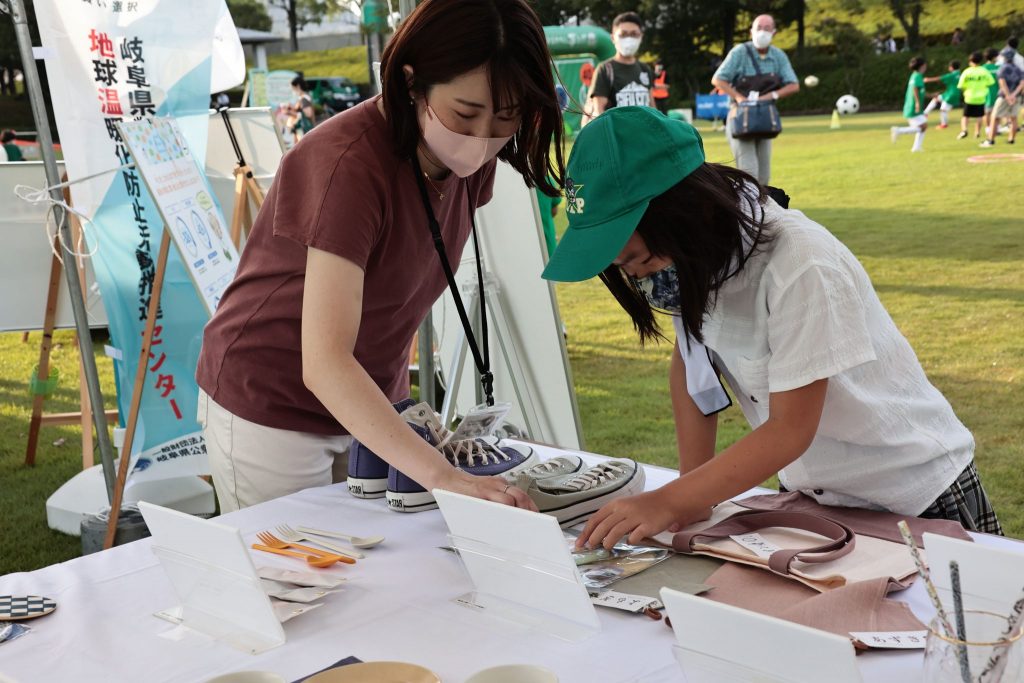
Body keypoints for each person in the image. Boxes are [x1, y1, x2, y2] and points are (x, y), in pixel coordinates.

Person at [538, 106, 1002, 550]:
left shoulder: (800, 263)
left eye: (638, 260)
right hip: (817, 495)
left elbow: (789, 428)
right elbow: (693, 365)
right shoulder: (698, 260)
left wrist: (671, 500)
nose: (638, 277)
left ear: (686, 214)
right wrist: (692, 492)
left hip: (912, 494)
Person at [195, 0, 564, 513]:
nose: (482, 139)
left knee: (388, 554)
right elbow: (325, 362)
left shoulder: (466, 158)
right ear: (412, 82)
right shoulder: (345, 164)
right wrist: (443, 477)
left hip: (371, 403)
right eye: (465, 114)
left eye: (506, 117)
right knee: (297, 560)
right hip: (272, 403)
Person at [711, 14, 799, 185]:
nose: (762, 32)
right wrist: (739, 97)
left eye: (767, 28)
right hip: (740, 117)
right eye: (759, 27)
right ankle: (748, 202)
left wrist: (771, 96)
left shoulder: (778, 56)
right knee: (749, 173)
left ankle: (763, 202)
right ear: (751, 31)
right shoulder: (739, 52)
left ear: (774, 33)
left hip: (764, 118)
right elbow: (718, 79)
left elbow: (793, 85)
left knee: (764, 176)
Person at [583, 11, 654, 126]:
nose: (629, 39)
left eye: (634, 34)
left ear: (641, 36)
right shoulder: (605, 69)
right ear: (613, 38)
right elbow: (598, 111)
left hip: (643, 133)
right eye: (623, 34)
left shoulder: (645, 69)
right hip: (617, 134)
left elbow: (652, 108)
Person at [981, 47, 1023, 147]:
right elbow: (1022, 83)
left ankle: (990, 140)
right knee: (1013, 118)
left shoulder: (1002, 68)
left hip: (1004, 97)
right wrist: (1014, 94)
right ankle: (1011, 139)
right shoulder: (1018, 69)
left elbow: (1002, 83)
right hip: (1017, 97)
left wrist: (1008, 96)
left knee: (995, 117)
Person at [891, 56, 928, 152]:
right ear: (922, 66)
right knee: (921, 127)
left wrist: (932, 95)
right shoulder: (917, 76)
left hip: (911, 105)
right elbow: (915, 89)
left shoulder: (915, 75)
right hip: (912, 106)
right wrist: (917, 103)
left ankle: (916, 147)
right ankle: (899, 131)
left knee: (923, 126)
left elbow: (921, 92)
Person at [957, 51, 996, 140]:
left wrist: (965, 91)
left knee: (966, 116)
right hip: (981, 97)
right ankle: (977, 132)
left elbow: (961, 85)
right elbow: (991, 82)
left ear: (970, 61)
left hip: (969, 97)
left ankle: (964, 130)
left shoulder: (967, 71)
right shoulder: (984, 71)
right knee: (979, 116)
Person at [923, 59, 961, 129]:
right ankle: (925, 113)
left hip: (951, 95)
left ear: (951, 67)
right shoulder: (959, 74)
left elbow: (939, 78)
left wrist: (927, 80)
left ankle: (944, 124)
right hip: (950, 94)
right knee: (936, 99)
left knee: (943, 110)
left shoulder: (951, 75)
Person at [284, 76, 316, 140]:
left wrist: (290, 113)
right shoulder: (304, 97)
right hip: (305, 131)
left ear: (298, 86)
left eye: (293, 88)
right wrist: (293, 109)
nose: (293, 91)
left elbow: (308, 114)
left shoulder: (304, 99)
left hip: (305, 131)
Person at [983, 47, 1001, 131]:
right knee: (988, 112)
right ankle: (989, 129)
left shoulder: (999, 67)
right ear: (994, 57)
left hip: (997, 92)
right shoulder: (983, 68)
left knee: (996, 111)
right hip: (988, 93)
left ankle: (996, 128)